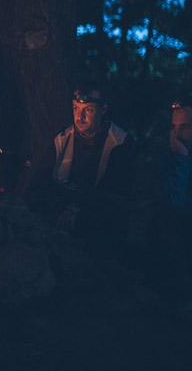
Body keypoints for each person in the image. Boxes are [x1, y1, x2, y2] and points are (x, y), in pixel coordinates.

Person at [28, 81, 134, 257]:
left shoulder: (119, 143)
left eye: (89, 110)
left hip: (97, 216)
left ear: (103, 110)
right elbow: (37, 185)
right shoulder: (62, 140)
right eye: (76, 109)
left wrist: (79, 206)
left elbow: (117, 191)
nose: (80, 117)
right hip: (61, 209)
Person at [154, 95, 192, 315]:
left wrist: (189, 206)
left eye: (185, 127)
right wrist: (180, 160)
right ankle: (184, 294)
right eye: (174, 127)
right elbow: (170, 204)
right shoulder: (171, 155)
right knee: (163, 221)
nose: (177, 135)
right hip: (183, 225)